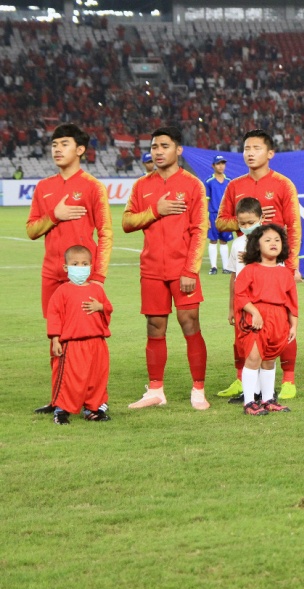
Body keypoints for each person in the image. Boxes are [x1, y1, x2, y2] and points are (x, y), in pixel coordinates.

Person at [26, 123, 112, 415]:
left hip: (83, 277)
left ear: (80, 150)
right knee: (57, 336)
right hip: (52, 274)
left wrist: (97, 278)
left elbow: (106, 233)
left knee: (88, 338)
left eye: (64, 144)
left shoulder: (92, 187)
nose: (57, 149)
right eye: (54, 145)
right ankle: (58, 398)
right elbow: (31, 230)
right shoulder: (44, 187)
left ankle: (93, 402)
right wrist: (54, 215)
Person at [122, 125, 210, 410]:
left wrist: (190, 270)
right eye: (154, 147)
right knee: (155, 326)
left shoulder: (193, 185)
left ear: (178, 150)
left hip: (182, 269)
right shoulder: (141, 185)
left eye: (164, 146)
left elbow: (200, 230)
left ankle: (198, 389)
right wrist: (155, 211)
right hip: (151, 269)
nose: (158, 152)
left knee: (190, 324)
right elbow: (127, 223)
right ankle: (156, 390)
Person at [216, 129, 302, 401]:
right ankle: (242, 380)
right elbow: (220, 222)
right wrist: (248, 222)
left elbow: (293, 225)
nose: (250, 153)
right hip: (245, 271)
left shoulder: (283, 184)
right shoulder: (234, 186)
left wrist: (290, 264)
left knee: (282, 324)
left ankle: (288, 380)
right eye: (246, 148)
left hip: (276, 270)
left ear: (270, 153)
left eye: (256, 148)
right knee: (244, 327)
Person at [46, 245, 113, 425]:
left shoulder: (97, 290)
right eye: (75, 263)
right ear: (66, 267)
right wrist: (55, 339)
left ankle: (93, 409)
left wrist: (101, 307)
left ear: (91, 266)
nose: (80, 267)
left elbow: (108, 308)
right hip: (73, 344)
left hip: (97, 343)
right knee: (71, 378)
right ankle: (61, 410)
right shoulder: (62, 291)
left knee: (96, 377)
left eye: (84, 264)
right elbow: (54, 315)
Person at [235, 223, 297, 416]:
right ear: (257, 245)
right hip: (256, 321)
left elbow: (291, 301)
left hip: (278, 321)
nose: (273, 243)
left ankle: (268, 399)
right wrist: (254, 312)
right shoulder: (250, 270)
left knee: (269, 360)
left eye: (277, 240)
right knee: (253, 358)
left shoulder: (285, 273)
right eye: (268, 240)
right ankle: (249, 402)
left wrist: (293, 324)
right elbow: (240, 295)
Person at [217, 196, 263, 403]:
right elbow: (234, 277)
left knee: (262, 348)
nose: (246, 227)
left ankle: (264, 391)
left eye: (251, 223)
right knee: (244, 347)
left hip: (263, 304)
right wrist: (230, 308)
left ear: (261, 219)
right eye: (242, 224)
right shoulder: (237, 244)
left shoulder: (269, 242)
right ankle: (250, 392)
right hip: (242, 305)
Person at [204, 155, 232, 275]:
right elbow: (206, 200)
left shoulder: (229, 181)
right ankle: (214, 266)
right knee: (213, 240)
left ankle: (226, 267)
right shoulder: (209, 182)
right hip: (213, 214)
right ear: (213, 166)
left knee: (224, 240)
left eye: (223, 163)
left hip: (225, 215)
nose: (221, 166)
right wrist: (206, 217)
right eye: (218, 164)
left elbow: (231, 200)